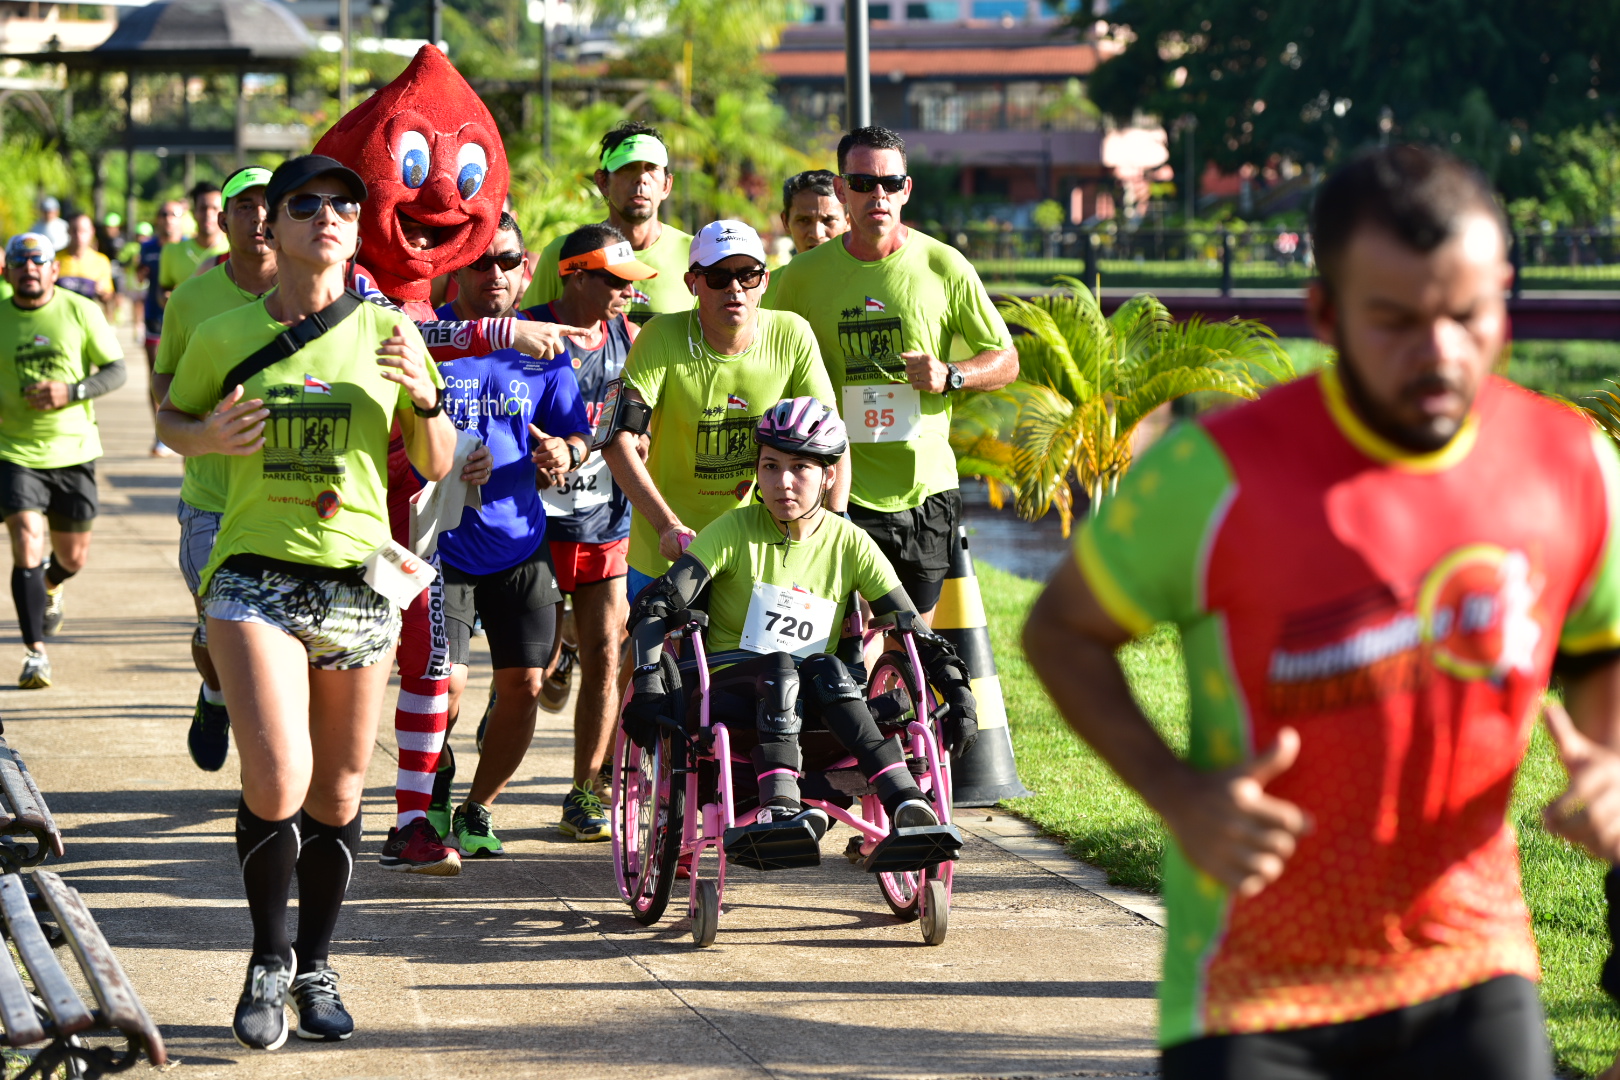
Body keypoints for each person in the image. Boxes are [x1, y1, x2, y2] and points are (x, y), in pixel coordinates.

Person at [1022, 144, 1620, 1079]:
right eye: (1396, 322)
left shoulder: (1571, 464)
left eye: (1469, 315)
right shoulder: (1213, 473)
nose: (1441, 354)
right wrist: (1175, 794)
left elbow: (1601, 645)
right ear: (1325, 314)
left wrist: (1612, 758)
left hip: (1472, 958)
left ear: (1504, 289)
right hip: (1253, 987)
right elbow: (1062, 630)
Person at [159, 154, 454, 1050]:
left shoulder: (392, 330)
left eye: (342, 205)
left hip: (360, 578)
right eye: (306, 204)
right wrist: (206, 434)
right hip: (254, 571)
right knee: (279, 777)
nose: (327, 215)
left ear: (355, 230)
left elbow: (437, 462)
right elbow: (171, 420)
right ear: (272, 228)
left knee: (336, 792)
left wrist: (426, 392)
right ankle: (268, 959)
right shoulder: (221, 330)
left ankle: (318, 966)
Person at [622, 398, 976, 857]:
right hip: (730, 694)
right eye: (769, 466)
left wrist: (955, 684)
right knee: (783, 666)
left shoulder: (850, 543)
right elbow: (656, 603)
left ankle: (908, 804)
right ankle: (778, 810)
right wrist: (649, 679)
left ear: (829, 475)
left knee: (828, 667)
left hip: (821, 700)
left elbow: (910, 627)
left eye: (800, 468)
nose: (782, 482)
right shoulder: (731, 530)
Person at [397, 213, 591, 863]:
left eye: (507, 262)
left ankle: (478, 808)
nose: (495, 275)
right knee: (443, 692)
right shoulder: (431, 337)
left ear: (527, 265)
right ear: (457, 267)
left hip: (519, 542)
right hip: (440, 545)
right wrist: (443, 458)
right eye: (481, 262)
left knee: (525, 687)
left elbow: (574, 430)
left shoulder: (540, 347)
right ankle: (435, 779)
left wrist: (563, 454)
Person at [766, 127, 1016, 622]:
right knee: (853, 636)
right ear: (841, 190)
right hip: (837, 487)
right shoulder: (801, 277)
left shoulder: (944, 265)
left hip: (925, 491)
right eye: (861, 183)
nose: (876, 195)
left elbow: (1005, 359)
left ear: (906, 189)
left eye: (889, 182)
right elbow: (757, 354)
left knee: (909, 640)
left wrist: (952, 374)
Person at [603, 219, 845, 604]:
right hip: (669, 551)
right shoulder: (661, 336)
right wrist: (667, 526)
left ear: (764, 282)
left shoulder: (792, 333)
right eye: (718, 276)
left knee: (761, 667)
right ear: (692, 284)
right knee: (659, 665)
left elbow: (833, 437)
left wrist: (834, 523)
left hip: (758, 553)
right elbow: (616, 441)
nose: (735, 287)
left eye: (747, 275)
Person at [523, 223, 653, 841]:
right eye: (614, 280)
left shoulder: (630, 336)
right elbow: (487, 405)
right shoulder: (526, 329)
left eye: (630, 281)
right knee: (530, 663)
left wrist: (642, 440)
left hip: (605, 516)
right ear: (574, 275)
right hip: (530, 525)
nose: (626, 292)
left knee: (608, 651)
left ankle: (583, 791)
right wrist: (533, 447)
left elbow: (641, 414)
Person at [151, 165, 278, 773]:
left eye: (268, 204)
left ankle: (276, 761)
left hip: (289, 497)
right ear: (222, 220)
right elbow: (164, 385)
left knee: (274, 636)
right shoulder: (194, 300)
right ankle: (215, 695)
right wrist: (203, 431)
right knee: (218, 630)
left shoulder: (325, 292)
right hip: (213, 499)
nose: (257, 217)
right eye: (243, 206)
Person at [0, 233, 126, 689]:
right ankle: (36, 653)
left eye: (38, 262)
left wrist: (71, 392)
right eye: (19, 262)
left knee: (72, 557)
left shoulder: (80, 310)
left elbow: (116, 370)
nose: (28, 269)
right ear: (8, 271)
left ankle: (53, 583)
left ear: (54, 269)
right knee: (27, 540)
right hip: (14, 452)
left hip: (73, 451)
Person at [520, 122, 694, 324]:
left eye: (651, 168)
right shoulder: (563, 254)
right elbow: (527, 332)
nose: (641, 178)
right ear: (603, 182)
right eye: (628, 167)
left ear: (667, 185)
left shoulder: (695, 254)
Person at [158, 182, 227, 309]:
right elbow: (163, 290)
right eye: (203, 208)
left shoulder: (234, 250)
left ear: (224, 214)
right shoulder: (171, 250)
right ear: (194, 213)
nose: (209, 214)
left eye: (215, 208)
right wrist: (168, 298)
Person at [55, 212, 115, 313]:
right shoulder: (56, 259)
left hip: (88, 317)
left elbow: (108, 297)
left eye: (83, 231)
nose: (79, 235)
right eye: (75, 231)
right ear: (68, 231)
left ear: (92, 231)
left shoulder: (101, 261)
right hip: (61, 317)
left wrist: (102, 293)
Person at [779, 170, 847, 255]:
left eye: (828, 220)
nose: (817, 234)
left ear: (848, 222)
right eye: (804, 220)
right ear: (785, 222)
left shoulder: (867, 268)